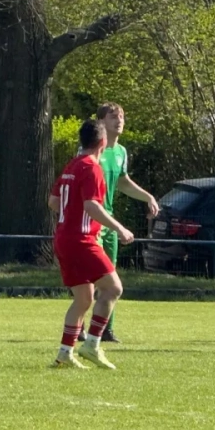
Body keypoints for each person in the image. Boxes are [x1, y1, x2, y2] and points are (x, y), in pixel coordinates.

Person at [47, 119, 134, 370]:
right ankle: (93, 345)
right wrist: (119, 228)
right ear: (103, 142)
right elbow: (92, 205)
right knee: (113, 288)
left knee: (83, 299)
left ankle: (65, 353)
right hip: (81, 240)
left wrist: (72, 212)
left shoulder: (72, 165)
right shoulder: (92, 167)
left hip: (63, 238)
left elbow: (53, 202)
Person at [78, 103, 159, 343]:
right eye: (113, 116)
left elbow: (122, 181)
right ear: (101, 122)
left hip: (110, 221)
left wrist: (148, 197)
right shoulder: (90, 152)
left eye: (122, 116)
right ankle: (79, 327)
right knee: (89, 276)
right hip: (91, 221)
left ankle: (105, 329)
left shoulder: (121, 152)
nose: (119, 120)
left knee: (110, 275)